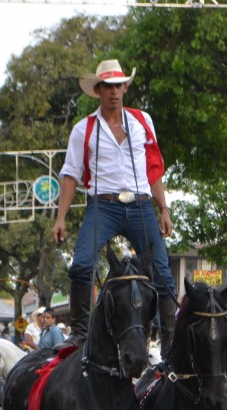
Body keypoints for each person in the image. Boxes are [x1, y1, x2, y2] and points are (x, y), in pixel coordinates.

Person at [51, 59, 178, 358]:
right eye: (108, 87)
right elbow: (70, 173)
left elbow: (153, 168)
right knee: (81, 264)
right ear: (98, 91)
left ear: (124, 88)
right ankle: (80, 333)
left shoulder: (142, 121)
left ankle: (171, 342)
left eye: (118, 86)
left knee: (162, 272)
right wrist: (61, 218)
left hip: (141, 205)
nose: (114, 92)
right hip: (103, 206)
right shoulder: (84, 128)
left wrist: (164, 208)